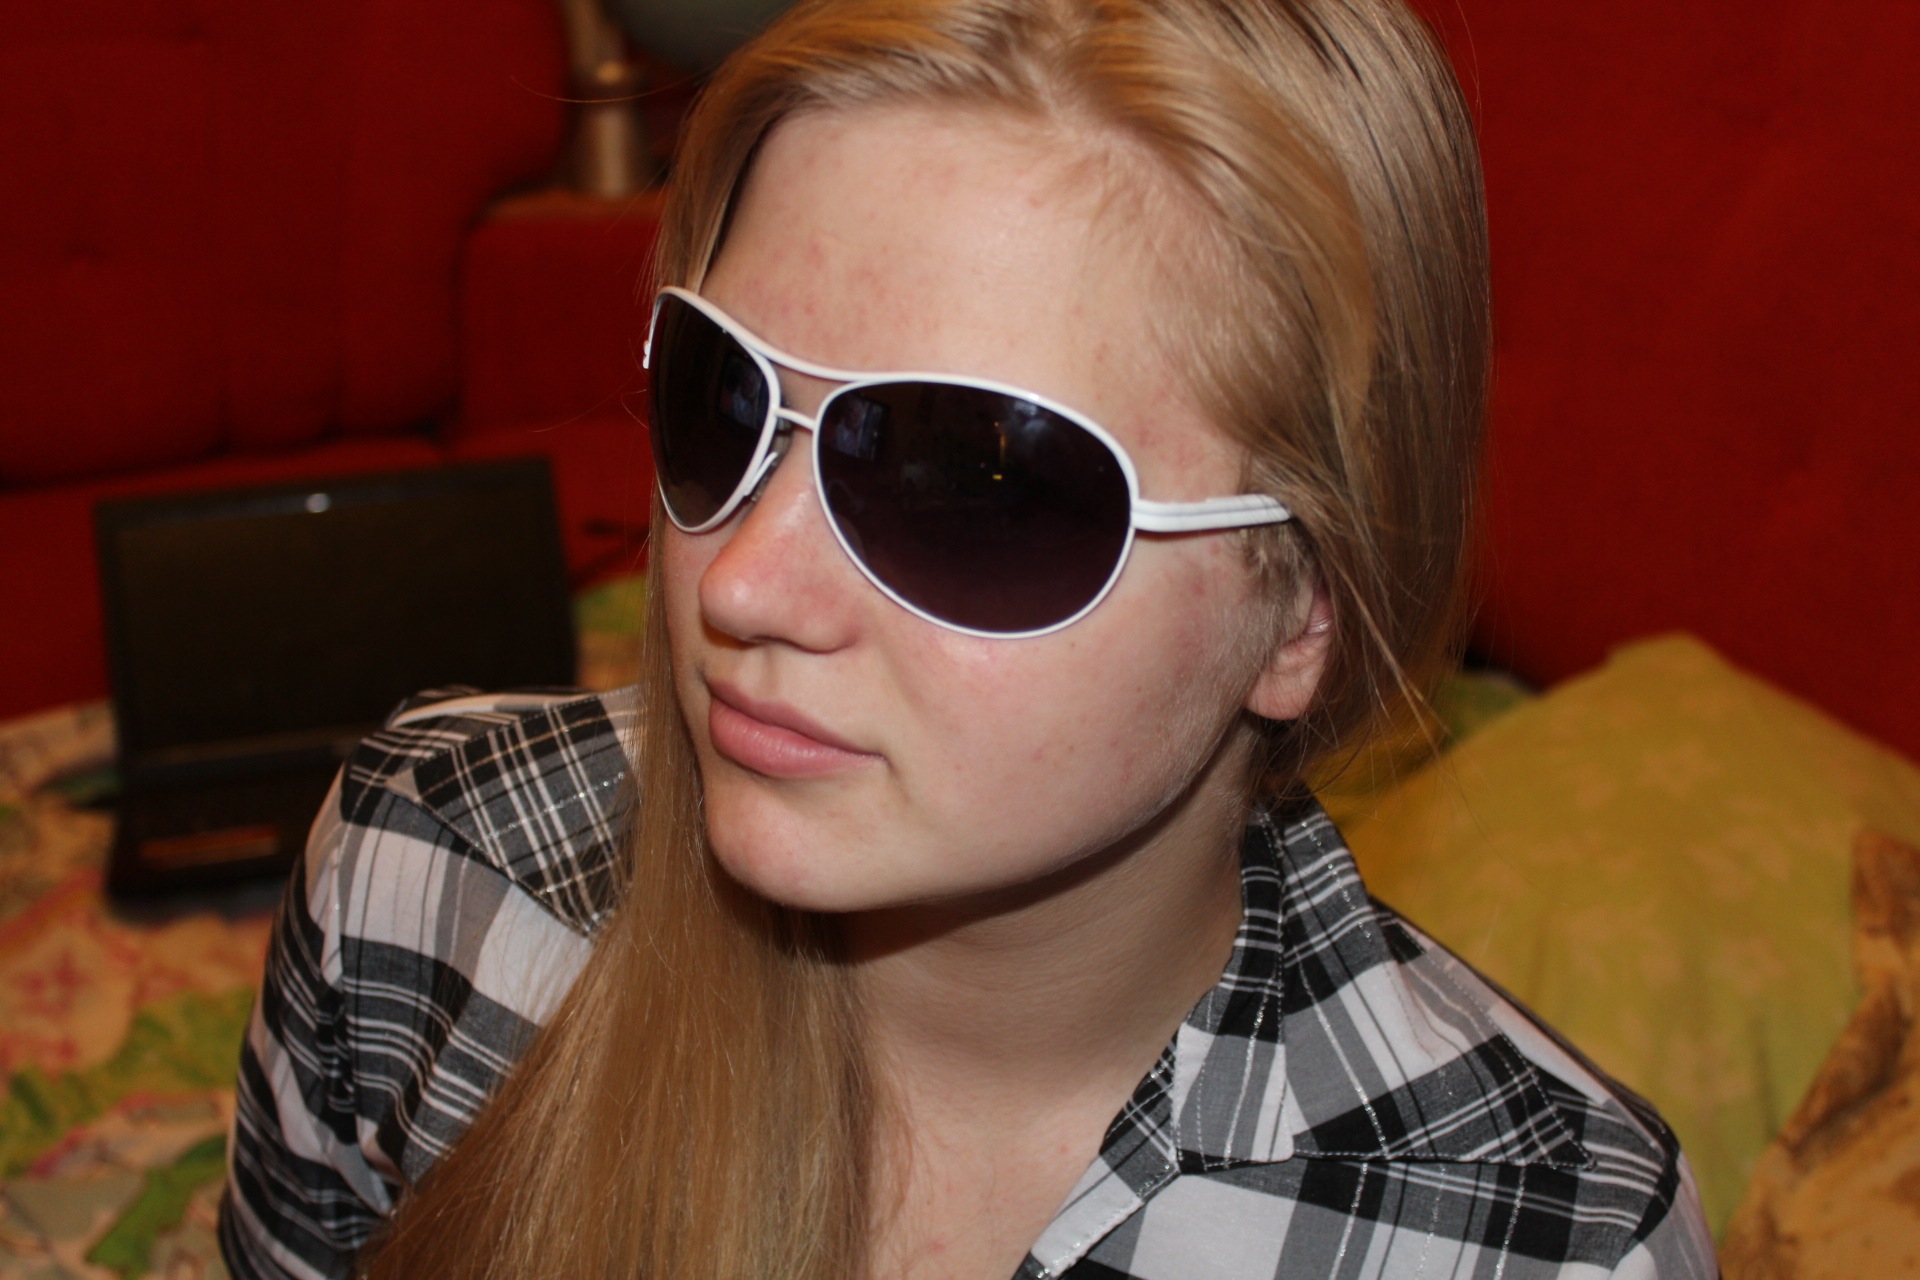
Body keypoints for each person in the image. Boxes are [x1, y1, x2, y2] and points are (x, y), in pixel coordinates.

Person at [218, 0, 1720, 1275]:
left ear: (1303, 604)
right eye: (723, 400)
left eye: (969, 484)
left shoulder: (1542, 1240)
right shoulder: (425, 878)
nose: (743, 586)